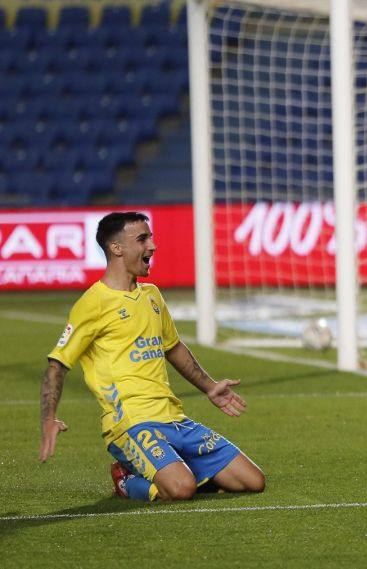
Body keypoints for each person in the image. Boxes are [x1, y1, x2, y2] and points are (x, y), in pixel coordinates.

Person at [39, 211, 265, 501]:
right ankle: (125, 480)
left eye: (152, 237)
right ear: (116, 248)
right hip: (131, 424)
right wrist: (49, 417)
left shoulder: (152, 295)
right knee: (181, 490)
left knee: (253, 481)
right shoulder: (93, 303)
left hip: (173, 418)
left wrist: (210, 387)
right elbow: (57, 364)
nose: (152, 246)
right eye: (142, 239)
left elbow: (173, 347)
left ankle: (176, 468)